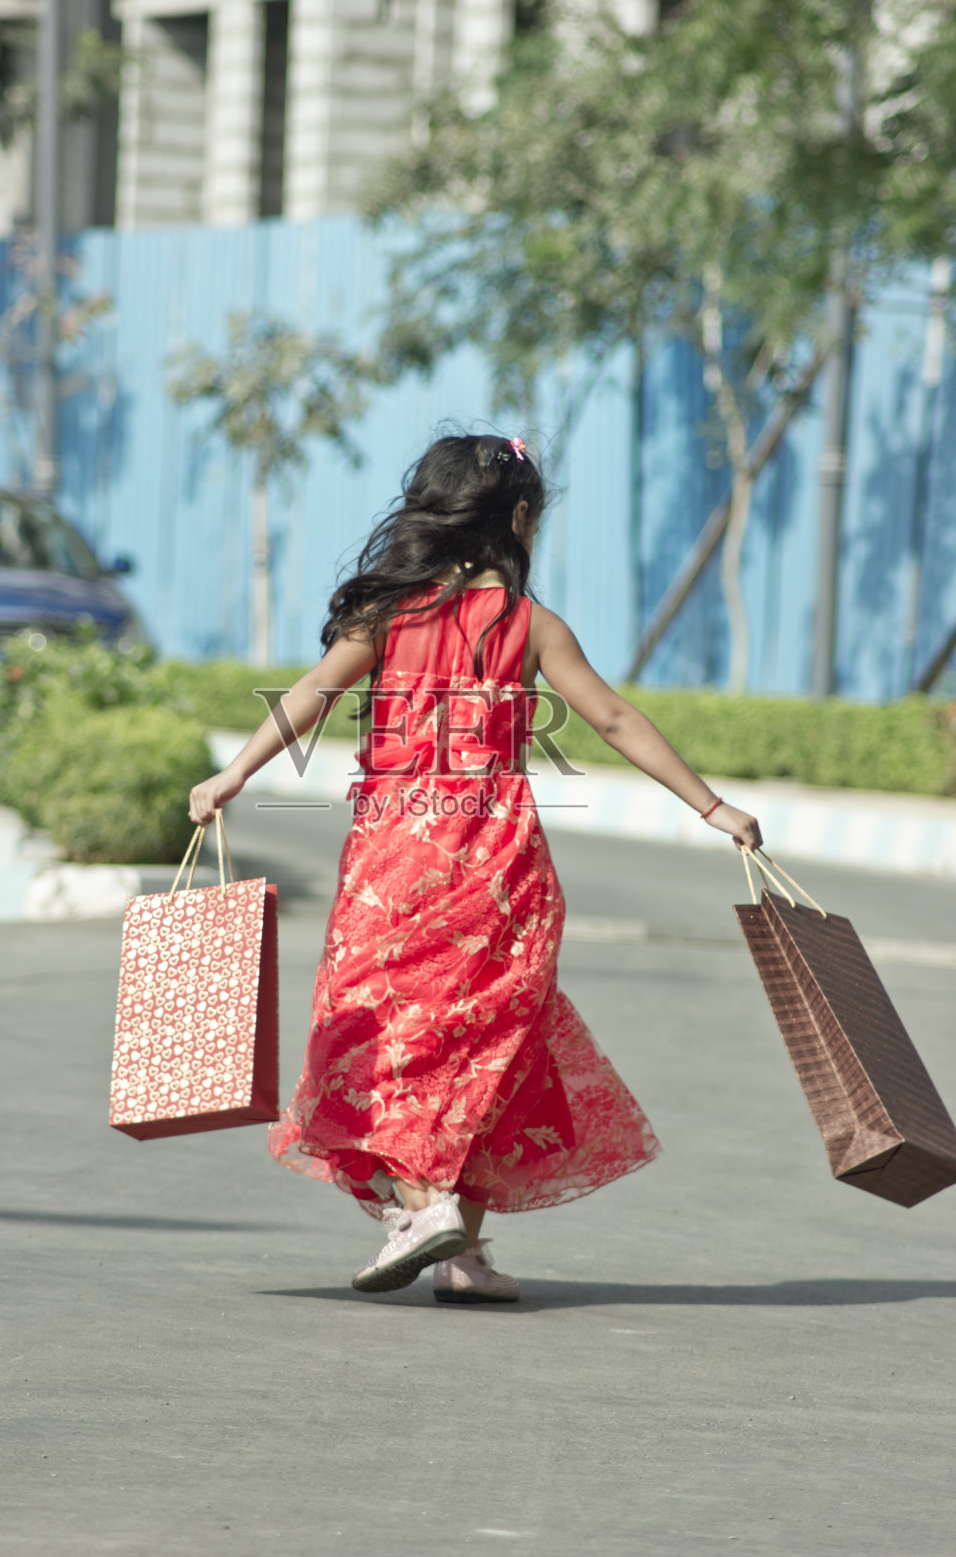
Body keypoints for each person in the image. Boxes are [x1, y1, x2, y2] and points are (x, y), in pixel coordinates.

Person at [188, 433, 763, 1304]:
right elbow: (611, 718)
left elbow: (312, 695)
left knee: (379, 1033)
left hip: (396, 858)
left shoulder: (386, 617)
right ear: (519, 520)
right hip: (500, 862)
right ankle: (459, 1249)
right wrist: (711, 807)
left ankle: (425, 1214)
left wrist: (236, 771)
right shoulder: (532, 627)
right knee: (484, 1042)